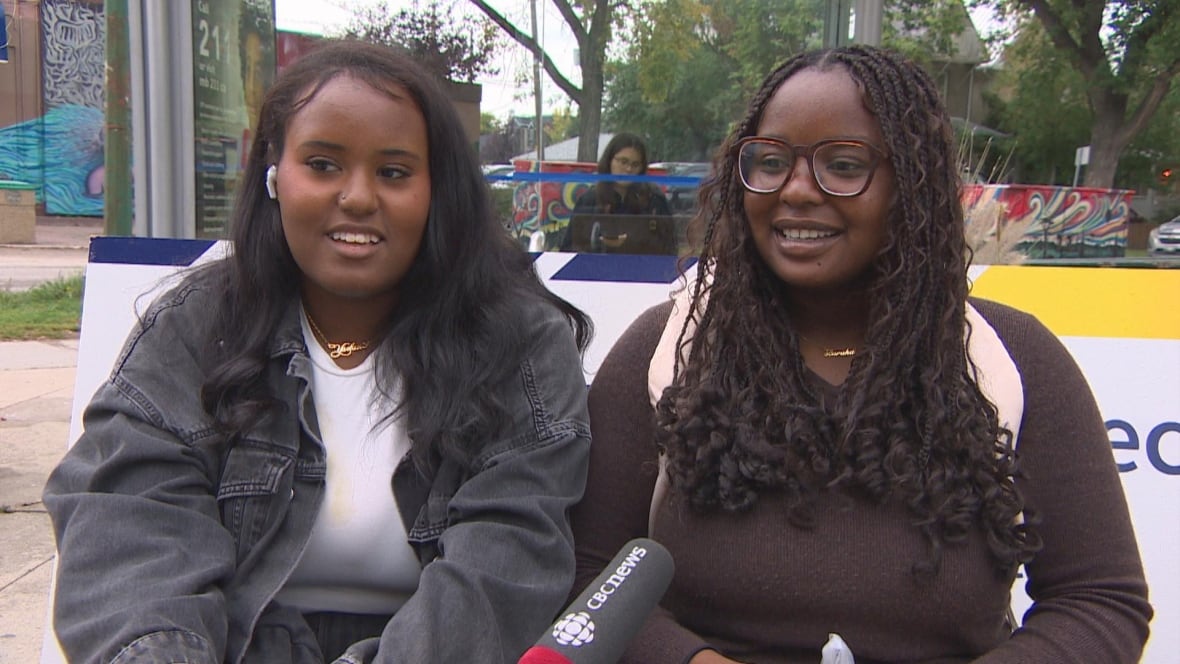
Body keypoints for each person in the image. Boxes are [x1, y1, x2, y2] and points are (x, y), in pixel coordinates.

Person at [570, 45, 1151, 663]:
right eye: (769, 161)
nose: (795, 190)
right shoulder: (667, 350)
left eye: (843, 165)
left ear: (913, 185)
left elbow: (1099, 599)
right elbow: (587, 576)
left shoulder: (1012, 358)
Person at [44, 40, 593, 664]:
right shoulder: (192, 327)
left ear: (437, 190)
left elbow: (509, 560)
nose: (358, 197)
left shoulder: (520, 342)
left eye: (393, 172)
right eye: (324, 164)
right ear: (275, 176)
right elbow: (131, 532)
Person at [561, 132, 672, 251]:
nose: (629, 169)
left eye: (635, 164)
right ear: (609, 161)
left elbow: (668, 248)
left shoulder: (654, 200)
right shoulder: (589, 200)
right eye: (623, 162)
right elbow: (569, 249)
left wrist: (632, 242)